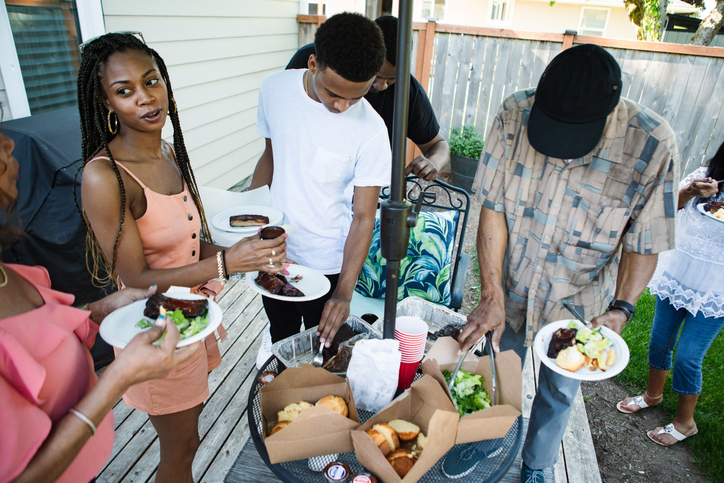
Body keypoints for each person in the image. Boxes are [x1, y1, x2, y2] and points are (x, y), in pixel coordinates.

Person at [457, 44, 679, 482]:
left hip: (580, 296)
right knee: (496, 368)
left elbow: (646, 239)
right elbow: (493, 208)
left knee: (560, 389)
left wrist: (622, 307)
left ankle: (536, 464)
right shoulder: (514, 113)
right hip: (511, 280)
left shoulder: (652, 144)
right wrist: (491, 293)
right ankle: (483, 444)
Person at [77, 33, 286, 483]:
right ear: (106, 103)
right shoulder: (105, 176)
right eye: (124, 90)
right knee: (181, 449)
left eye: (151, 81)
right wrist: (226, 264)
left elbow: (190, 244)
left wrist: (247, 256)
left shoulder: (168, 153)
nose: (146, 98)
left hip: (192, 316)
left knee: (187, 439)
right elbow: (134, 277)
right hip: (153, 331)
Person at [0, 129, 200, 483]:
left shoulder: (8, 272)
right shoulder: (104, 174)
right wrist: (118, 378)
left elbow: (29, 338)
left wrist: (99, 309)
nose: (9, 143)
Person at [250, 12, 391, 350]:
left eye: (356, 97)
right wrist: (252, 224)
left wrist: (344, 293)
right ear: (313, 63)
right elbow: (271, 158)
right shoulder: (273, 89)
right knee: (281, 336)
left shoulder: (372, 132)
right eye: (333, 93)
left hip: (328, 262)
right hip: (276, 251)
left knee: (321, 349)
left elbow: (363, 217)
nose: (342, 106)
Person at [616, 141, 724, 446]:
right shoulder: (704, 176)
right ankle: (653, 395)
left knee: (689, 357)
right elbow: (665, 207)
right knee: (659, 342)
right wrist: (690, 191)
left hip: (716, 289)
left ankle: (685, 422)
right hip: (678, 274)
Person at [287, 15, 449, 181]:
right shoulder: (316, 58)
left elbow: (438, 144)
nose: (381, 86)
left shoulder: (408, 91)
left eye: (391, 79)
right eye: (376, 75)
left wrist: (433, 162)